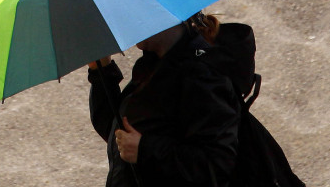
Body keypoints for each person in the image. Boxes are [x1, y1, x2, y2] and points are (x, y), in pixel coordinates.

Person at [88, 13, 241, 187]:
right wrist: (101, 70)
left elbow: (216, 165)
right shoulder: (153, 63)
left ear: (163, 12)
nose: (127, 22)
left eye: (133, 11)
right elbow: (118, 133)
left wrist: (145, 150)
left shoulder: (201, 76)